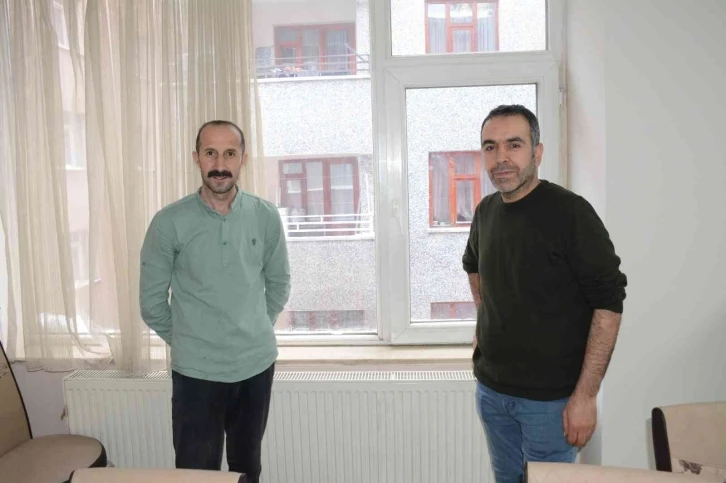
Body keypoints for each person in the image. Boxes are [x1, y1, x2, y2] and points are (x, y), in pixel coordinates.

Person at [463, 105, 627, 483]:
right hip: (491, 390)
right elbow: (473, 266)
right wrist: (482, 322)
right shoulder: (486, 211)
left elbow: (609, 304)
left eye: (514, 145)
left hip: (551, 403)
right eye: (490, 147)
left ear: (537, 152)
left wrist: (585, 397)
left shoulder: (571, 213)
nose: (501, 158)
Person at [140, 120, 290, 482]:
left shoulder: (265, 215)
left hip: (255, 367)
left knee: (247, 469)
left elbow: (279, 283)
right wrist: (191, 340)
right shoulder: (169, 222)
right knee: (196, 474)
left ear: (243, 159)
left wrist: (253, 328)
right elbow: (151, 303)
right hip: (196, 374)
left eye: (229, 153)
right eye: (210, 153)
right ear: (196, 158)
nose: (219, 164)